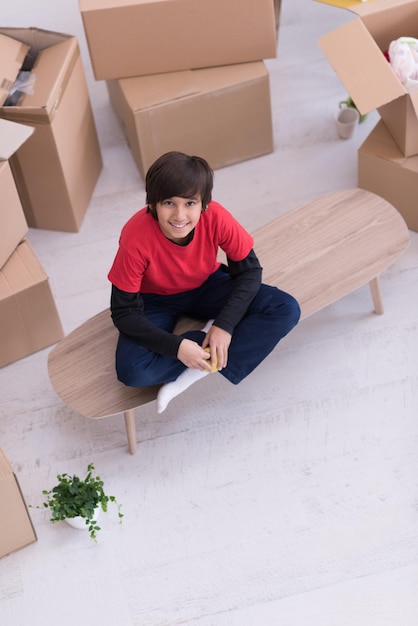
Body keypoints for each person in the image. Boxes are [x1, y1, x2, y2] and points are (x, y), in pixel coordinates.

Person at [108, 151, 300, 413]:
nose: (179, 215)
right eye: (168, 203)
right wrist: (178, 347)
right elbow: (123, 312)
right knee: (133, 372)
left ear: (204, 204)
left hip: (207, 285)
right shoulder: (135, 237)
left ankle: (195, 369)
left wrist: (224, 325)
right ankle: (201, 350)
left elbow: (249, 271)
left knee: (285, 308)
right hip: (155, 300)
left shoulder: (217, 216)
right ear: (152, 203)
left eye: (190, 203)